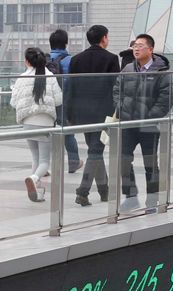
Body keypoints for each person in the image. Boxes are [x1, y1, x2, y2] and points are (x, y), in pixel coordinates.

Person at [113, 33, 173, 214]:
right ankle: (131, 198)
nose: (136, 49)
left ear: (151, 49)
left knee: (150, 164)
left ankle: (152, 201)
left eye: (140, 46)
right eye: (134, 46)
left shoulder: (161, 72)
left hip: (149, 126)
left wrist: (150, 116)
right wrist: (121, 109)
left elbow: (166, 98)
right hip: (128, 124)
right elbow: (117, 90)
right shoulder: (128, 69)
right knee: (123, 160)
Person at [69, 24, 121, 207]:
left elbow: (71, 88)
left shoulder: (76, 60)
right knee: (96, 151)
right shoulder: (111, 59)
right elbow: (116, 87)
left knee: (95, 150)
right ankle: (83, 191)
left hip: (82, 112)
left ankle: (104, 191)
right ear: (104, 38)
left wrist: (71, 114)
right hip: (103, 113)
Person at [11, 47, 62, 203]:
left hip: (27, 122)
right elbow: (59, 100)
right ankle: (33, 179)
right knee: (45, 161)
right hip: (45, 122)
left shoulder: (22, 77)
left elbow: (13, 102)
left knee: (35, 157)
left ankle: (36, 189)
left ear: (27, 61)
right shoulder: (50, 76)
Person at [46, 29, 81, 173]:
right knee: (68, 132)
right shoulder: (70, 60)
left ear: (50, 43)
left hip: (46, 102)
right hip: (64, 101)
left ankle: (43, 166)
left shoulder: (43, 60)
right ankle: (73, 162)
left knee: (45, 133)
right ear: (66, 43)